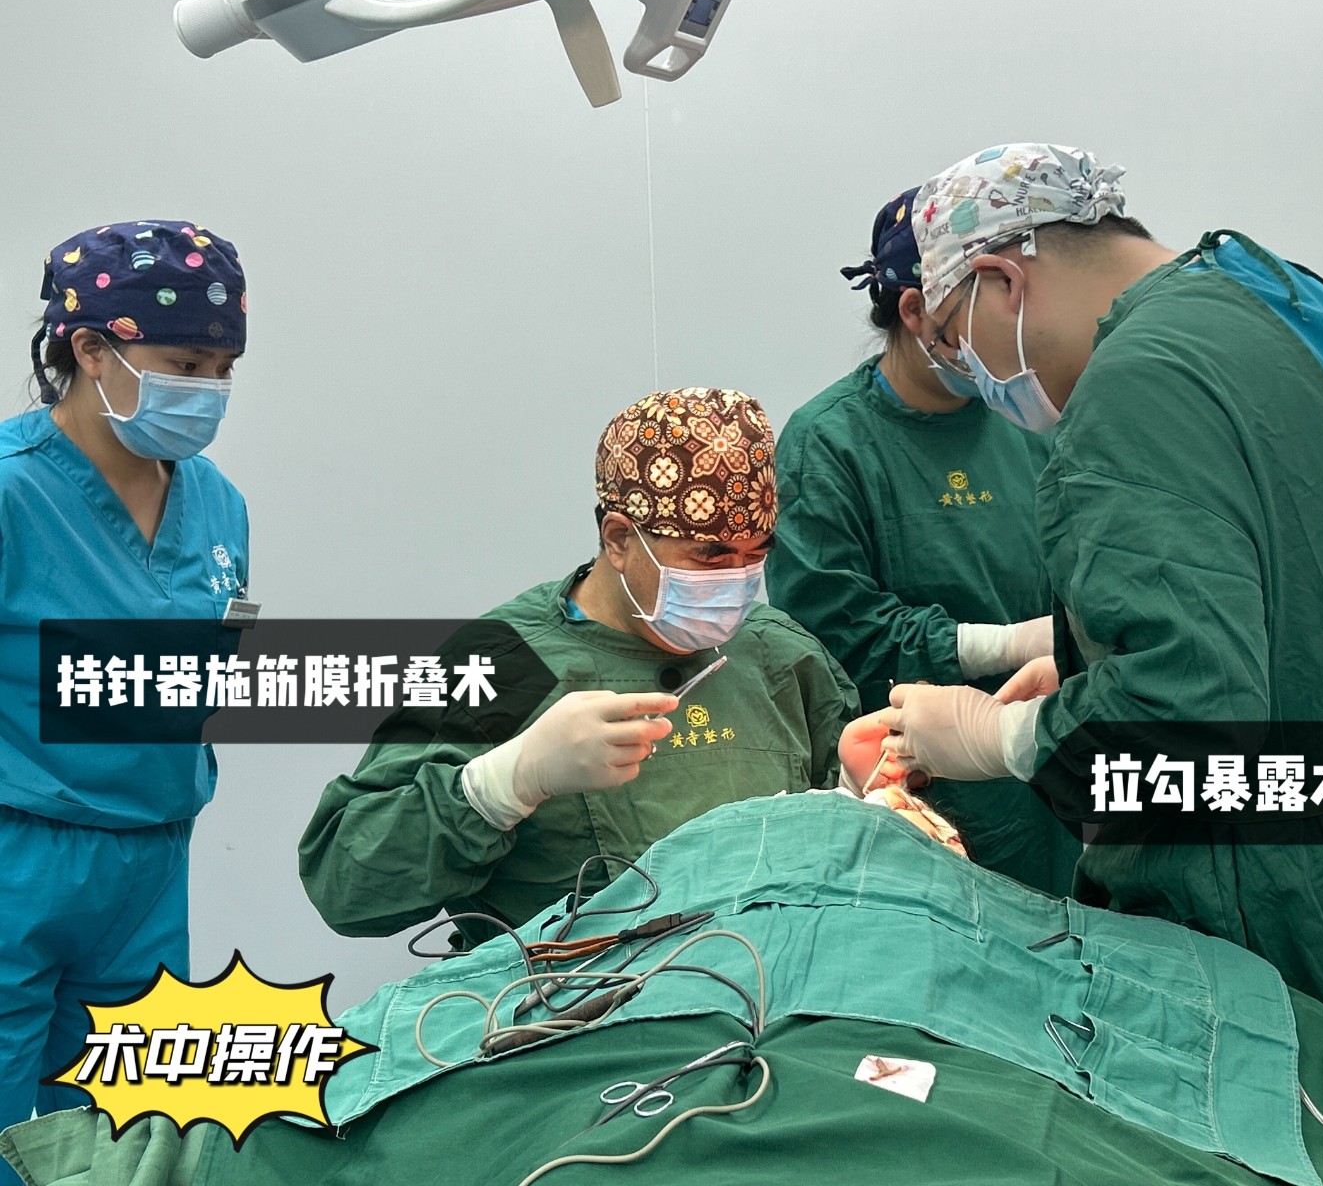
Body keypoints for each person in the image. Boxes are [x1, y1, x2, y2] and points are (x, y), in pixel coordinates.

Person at [857, 143, 1323, 1088]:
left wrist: (996, 735)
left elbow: (1190, 717)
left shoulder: (1135, 384)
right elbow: (1293, 577)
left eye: (960, 339)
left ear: (1004, 280)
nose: (972, 373)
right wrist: (1090, 662)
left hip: (1280, 921)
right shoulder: (1275, 297)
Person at [300, 388, 866, 948]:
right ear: (619, 539)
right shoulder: (503, 663)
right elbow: (344, 885)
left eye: (756, 553)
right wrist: (503, 785)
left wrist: (868, 794)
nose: (736, 579)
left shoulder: (778, 655)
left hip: (776, 982)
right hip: (578, 998)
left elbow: (855, 861)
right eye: (710, 555)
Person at [0, 222, 250, 1149]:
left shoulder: (218, 504)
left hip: (151, 862)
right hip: (19, 856)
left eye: (224, 369)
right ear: (91, 350)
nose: (208, 390)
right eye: (185, 364)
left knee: (124, 1138)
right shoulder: (12, 492)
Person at [767, 188, 1079, 894]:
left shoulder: (1029, 423)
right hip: (918, 791)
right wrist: (1001, 645)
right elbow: (835, 635)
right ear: (914, 311)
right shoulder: (829, 446)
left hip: (1047, 774)